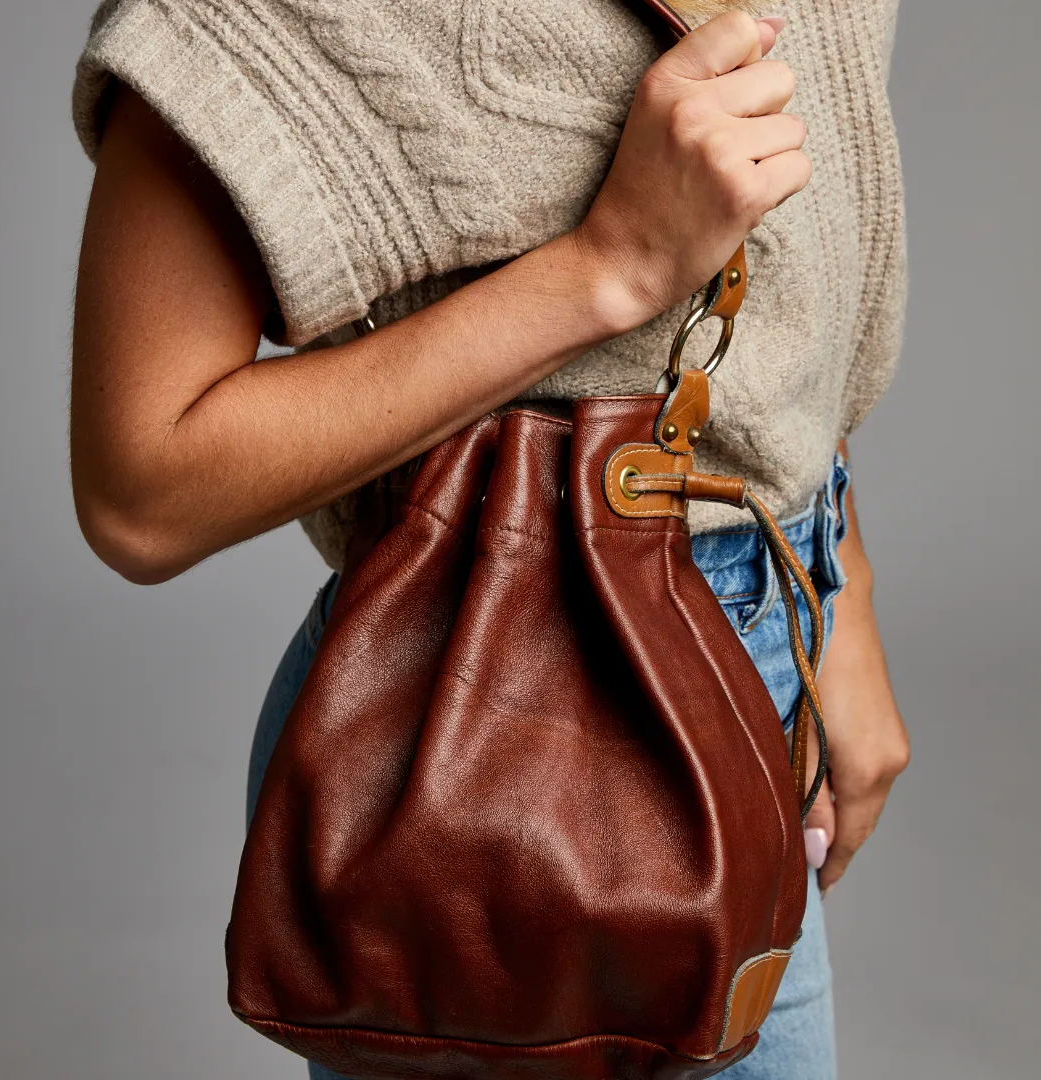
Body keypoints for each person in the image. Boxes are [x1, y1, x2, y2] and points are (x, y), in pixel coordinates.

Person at [69, 2, 911, 1076]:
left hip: (767, 691)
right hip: (493, 750)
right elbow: (144, 490)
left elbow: (804, 241)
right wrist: (608, 266)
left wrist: (840, 593)